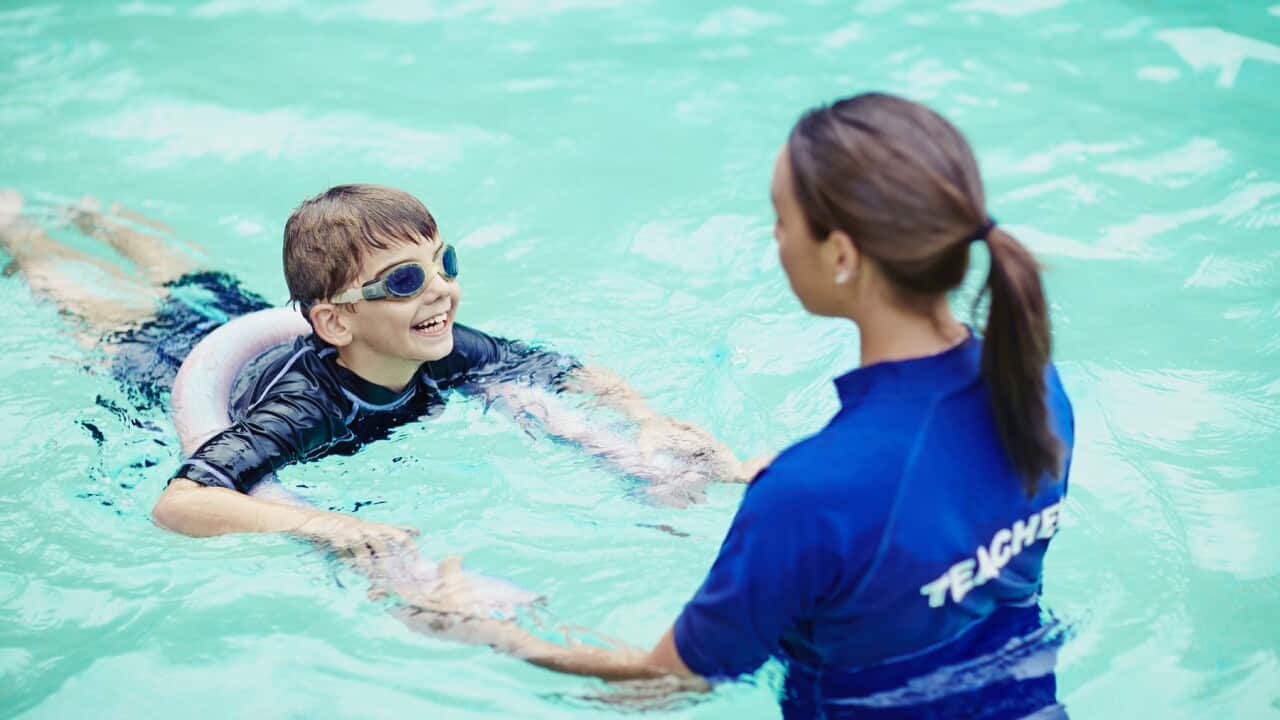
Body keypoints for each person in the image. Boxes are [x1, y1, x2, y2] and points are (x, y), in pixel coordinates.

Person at [430, 93, 1077, 719]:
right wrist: (759, 474)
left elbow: (664, 685)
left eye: (781, 218)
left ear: (842, 254)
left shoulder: (811, 495)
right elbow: (927, 515)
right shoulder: (1033, 385)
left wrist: (489, 628)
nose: (775, 237)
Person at [0, 185, 753, 566]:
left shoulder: (444, 344)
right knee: (95, 309)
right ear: (335, 321)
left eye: (443, 264)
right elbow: (182, 502)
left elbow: (571, 374)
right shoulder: (305, 407)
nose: (441, 291)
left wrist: (648, 419)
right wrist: (323, 524)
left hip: (240, 327)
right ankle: (24, 236)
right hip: (181, 368)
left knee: (194, 277)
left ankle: (102, 218)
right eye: (403, 282)